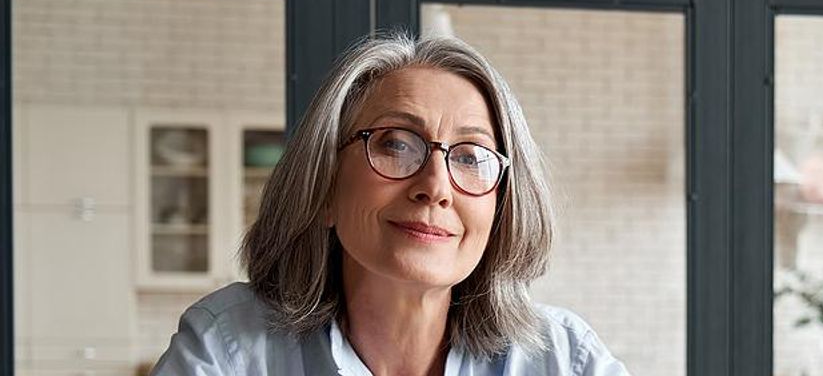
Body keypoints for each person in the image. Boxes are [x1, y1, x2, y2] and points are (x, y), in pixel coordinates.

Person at [151, 33, 629, 376]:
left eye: (471, 157)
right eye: (396, 144)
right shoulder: (228, 349)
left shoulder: (565, 359)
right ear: (324, 187)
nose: (436, 186)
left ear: (501, 210)